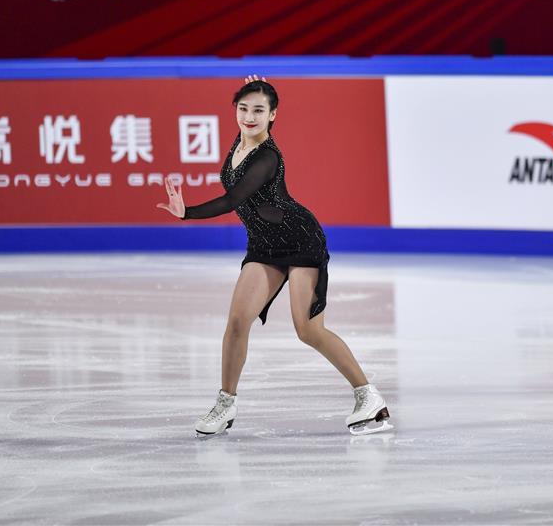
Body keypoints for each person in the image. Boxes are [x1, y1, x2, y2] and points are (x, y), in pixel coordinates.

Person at [158, 76, 392, 436]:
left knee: (308, 330)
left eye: (259, 110)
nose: (249, 117)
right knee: (237, 322)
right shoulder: (241, 141)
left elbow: (233, 200)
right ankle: (225, 404)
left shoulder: (266, 156)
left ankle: (368, 396)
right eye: (243, 108)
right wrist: (260, 86)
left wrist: (186, 212)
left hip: (299, 240)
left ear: (273, 116)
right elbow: (252, 114)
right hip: (264, 246)